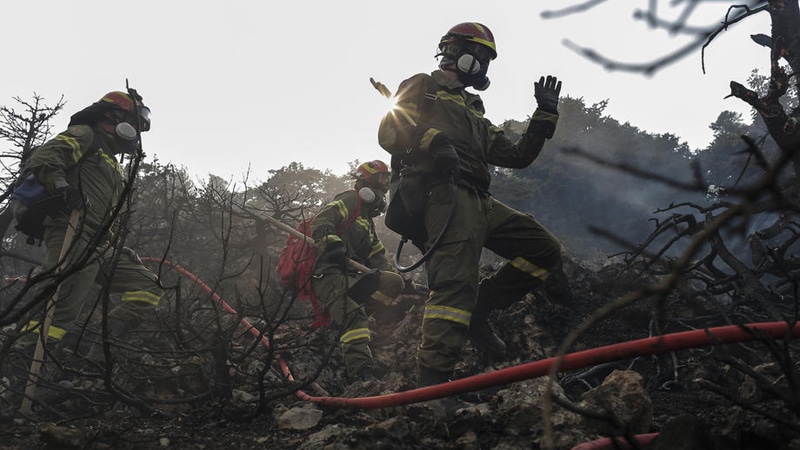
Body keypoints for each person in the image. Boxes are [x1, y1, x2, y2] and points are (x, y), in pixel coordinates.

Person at [377, 22, 567, 388]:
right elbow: (389, 131)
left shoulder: (474, 110)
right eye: (481, 56)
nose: (484, 66)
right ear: (457, 52)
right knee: (453, 287)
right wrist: (434, 141)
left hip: (480, 199)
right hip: (444, 195)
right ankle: (432, 390)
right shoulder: (424, 86)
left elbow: (517, 156)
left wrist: (544, 114)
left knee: (543, 249)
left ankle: (482, 307)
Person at [13, 90, 163, 363]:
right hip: (71, 233)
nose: (134, 133)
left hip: (99, 243)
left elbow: (103, 211)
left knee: (148, 287)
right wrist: (62, 187)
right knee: (58, 311)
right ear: (112, 116)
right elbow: (46, 157)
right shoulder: (85, 134)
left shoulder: (112, 162)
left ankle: (94, 356)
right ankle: (17, 365)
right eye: (133, 123)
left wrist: (115, 244)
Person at [310, 160, 406, 384]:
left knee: (393, 282)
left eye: (386, 180)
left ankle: (348, 316)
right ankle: (361, 372)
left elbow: (378, 257)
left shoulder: (366, 221)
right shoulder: (350, 199)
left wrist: (405, 282)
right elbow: (321, 221)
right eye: (380, 179)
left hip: (351, 277)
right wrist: (332, 243)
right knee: (353, 314)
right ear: (366, 183)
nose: (383, 187)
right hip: (328, 273)